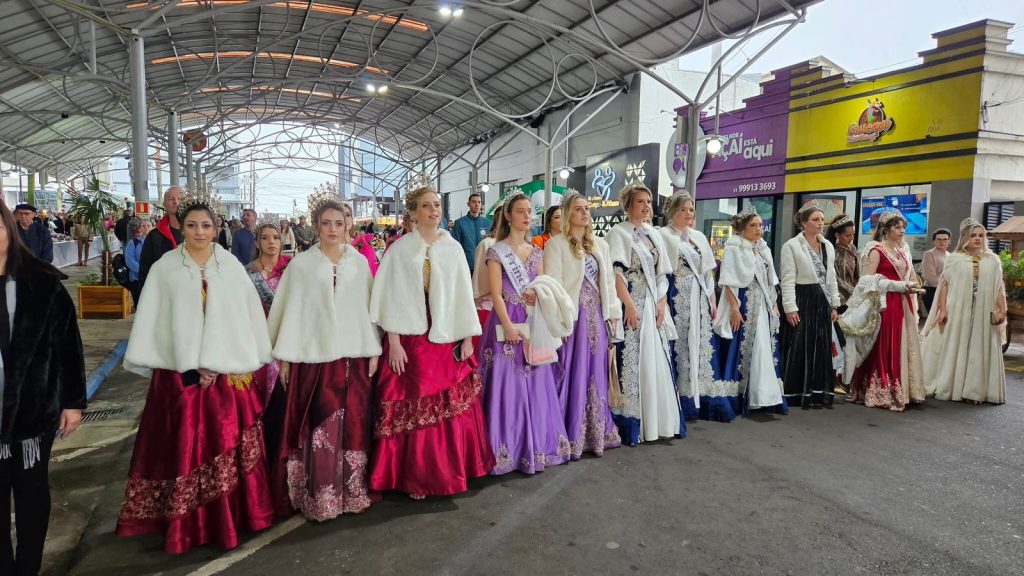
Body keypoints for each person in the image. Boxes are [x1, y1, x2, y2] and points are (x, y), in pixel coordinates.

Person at [117, 196, 275, 554]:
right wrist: (190, 361)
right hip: (178, 375)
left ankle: (229, 518)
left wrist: (218, 360)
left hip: (227, 375)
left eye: (206, 226)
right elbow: (156, 321)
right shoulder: (166, 268)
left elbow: (244, 319)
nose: (199, 232)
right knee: (181, 443)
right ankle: (184, 524)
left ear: (216, 229)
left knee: (226, 441)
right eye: (192, 226)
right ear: (182, 228)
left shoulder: (231, 267)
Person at [369, 186, 493, 497]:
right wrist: (394, 342)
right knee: (411, 397)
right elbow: (389, 297)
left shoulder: (452, 248)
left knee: (452, 401)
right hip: (410, 339)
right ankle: (415, 478)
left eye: (436, 205)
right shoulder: (398, 250)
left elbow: (463, 295)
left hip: (446, 335)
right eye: (426, 205)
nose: (433, 210)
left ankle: (451, 471)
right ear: (413, 212)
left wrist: (468, 336)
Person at [267, 198, 381, 520]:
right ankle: (320, 495)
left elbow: (368, 311)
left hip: (353, 359)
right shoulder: (301, 266)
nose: (333, 229)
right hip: (313, 359)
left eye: (339, 223)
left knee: (353, 424)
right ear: (316, 226)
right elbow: (292, 313)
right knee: (319, 424)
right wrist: (285, 358)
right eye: (327, 223)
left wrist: (373, 349)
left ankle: (351, 491)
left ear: (347, 226)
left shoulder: (358, 263)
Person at [0, 202, 86, 576]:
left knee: (31, 491)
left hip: (32, 412)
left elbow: (68, 345)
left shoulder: (42, 281)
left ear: (9, 230)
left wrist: (73, 402)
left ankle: (28, 567)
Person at [477, 194, 572, 474]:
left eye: (529, 211)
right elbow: (495, 293)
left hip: (532, 320)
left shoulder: (536, 252)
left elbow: (541, 285)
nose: (527, 216)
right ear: (508, 216)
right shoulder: (496, 251)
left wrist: (539, 296)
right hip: (506, 318)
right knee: (507, 383)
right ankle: (506, 449)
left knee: (535, 378)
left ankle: (537, 446)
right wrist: (507, 325)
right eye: (521, 211)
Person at [544, 192, 623, 458]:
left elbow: (608, 282)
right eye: (579, 209)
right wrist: (559, 322)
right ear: (568, 213)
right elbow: (553, 286)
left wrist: (612, 313)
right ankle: (570, 433)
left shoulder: (600, 245)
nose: (585, 212)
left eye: (587, 208)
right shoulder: (555, 245)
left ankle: (594, 432)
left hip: (596, 317)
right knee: (571, 371)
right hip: (573, 318)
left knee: (595, 371)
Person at [605, 184, 681, 445]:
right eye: (641, 201)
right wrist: (628, 304)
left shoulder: (653, 234)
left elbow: (662, 273)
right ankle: (632, 420)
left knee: (657, 355)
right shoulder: (618, 233)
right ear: (628, 205)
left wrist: (662, 301)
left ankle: (658, 419)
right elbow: (616, 273)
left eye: (649, 201)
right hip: (632, 301)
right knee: (634, 357)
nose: (647, 206)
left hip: (653, 302)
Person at [658, 192, 733, 422]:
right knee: (680, 343)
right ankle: (683, 397)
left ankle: (703, 395)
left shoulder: (698, 236)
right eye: (683, 209)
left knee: (701, 343)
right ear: (672, 211)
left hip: (699, 297)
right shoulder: (663, 235)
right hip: (676, 296)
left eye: (691, 209)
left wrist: (712, 299)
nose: (689, 214)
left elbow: (707, 272)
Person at [922, 219, 1006, 405]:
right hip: (958, 309)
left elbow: (999, 287)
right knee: (956, 344)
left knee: (979, 347)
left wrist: (1003, 309)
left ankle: (975, 390)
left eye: (981, 235)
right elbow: (944, 285)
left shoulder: (993, 260)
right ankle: (954, 385)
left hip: (983, 311)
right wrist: (943, 309)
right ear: (965, 238)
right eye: (973, 235)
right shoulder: (955, 259)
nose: (977, 239)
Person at [848, 211, 925, 411]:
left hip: (903, 302)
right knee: (886, 344)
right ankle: (882, 388)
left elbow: (909, 275)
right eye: (897, 227)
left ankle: (904, 389)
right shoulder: (876, 250)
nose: (902, 231)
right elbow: (866, 281)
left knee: (902, 343)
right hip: (885, 303)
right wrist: (897, 286)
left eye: (903, 227)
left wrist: (914, 287)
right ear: (886, 229)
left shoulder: (902, 250)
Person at [714, 210, 787, 416]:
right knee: (745, 346)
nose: (758, 229)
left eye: (760, 225)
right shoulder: (734, 248)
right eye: (753, 226)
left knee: (765, 346)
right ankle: (741, 394)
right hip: (744, 302)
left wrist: (774, 304)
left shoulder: (763, 249)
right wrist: (734, 309)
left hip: (762, 303)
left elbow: (770, 280)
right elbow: (728, 281)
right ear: (742, 229)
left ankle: (765, 395)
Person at [244, 223, 291, 516]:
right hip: (259, 347)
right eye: (265, 238)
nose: (272, 242)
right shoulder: (247, 274)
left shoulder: (290, 270)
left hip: (285, 346)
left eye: (276, 237)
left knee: (283, 412)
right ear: (258, 242)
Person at [780, 205, 841, 409]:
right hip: (802, 299)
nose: (820, 223)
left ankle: (818, 391)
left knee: (821, 346)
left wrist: (834, 304)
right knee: (799, 345)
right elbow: (787, 279)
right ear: (804, 223)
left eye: (822, 219)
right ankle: (796, 392)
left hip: (822, 300)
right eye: (815, 219)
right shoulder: (791, 246)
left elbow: (831, 277)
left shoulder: (827, 246)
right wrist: (790, 307)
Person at [138, 186, 183, 290]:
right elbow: (145, 270)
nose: (176, 202)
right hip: (163, 292)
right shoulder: (154, 236)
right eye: (171, 199)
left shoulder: (195, 233)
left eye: (180, 198)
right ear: (164, 204)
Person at [450, 193, 491, 273]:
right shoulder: (460, 223)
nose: (477, 204)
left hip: (483, 265)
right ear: (468, 204)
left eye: (479, 202)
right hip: (466, 266)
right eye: (473, 202)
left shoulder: (487, 223)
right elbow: (456, 247)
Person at [827, 214, 859, 311]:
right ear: (837, 235)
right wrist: (853, 291)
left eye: (853, 234)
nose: (852, 238)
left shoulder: (852, 248)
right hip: (838, 298)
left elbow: (857, 273)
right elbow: (835, 278)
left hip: (854, 297)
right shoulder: (831, 251)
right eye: (848, 236)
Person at [124, 218, 152, 309]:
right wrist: (144, 270)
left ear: (152, 227)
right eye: (143, 226)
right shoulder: (133, 243)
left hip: (152, 279)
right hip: (137, 279)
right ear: (140, 228)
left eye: (148, 226)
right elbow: (129, 260)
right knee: (139, 305)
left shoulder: (156, 243)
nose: (146, 227)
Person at [921, 228, 951, 312]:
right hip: (932, 291)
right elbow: (930, 278)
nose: (942, 242)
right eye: (939, 239)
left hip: (946, 291)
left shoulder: (949, 255)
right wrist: (949, 284)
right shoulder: (929, 254)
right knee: (935, 318)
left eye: (945, 239)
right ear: (934, 241)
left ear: (949, 241)